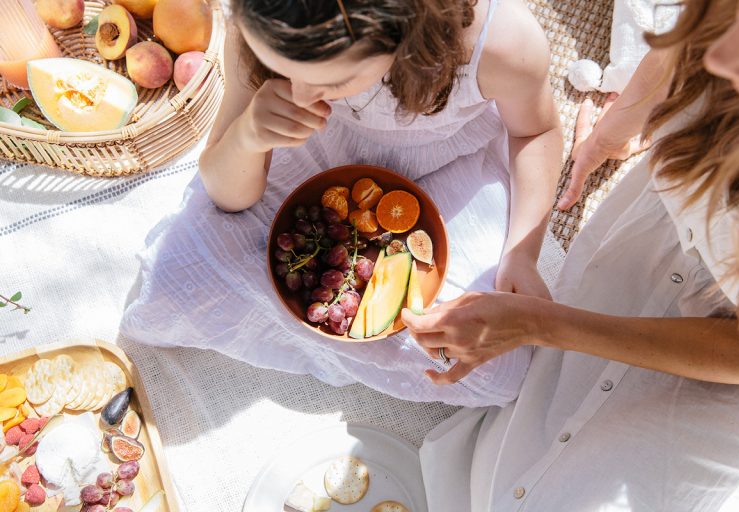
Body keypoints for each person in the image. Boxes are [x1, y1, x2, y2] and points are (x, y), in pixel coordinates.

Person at [409, 0, 739, 509]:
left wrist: (545, 324)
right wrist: (615, 130)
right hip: (658, 237)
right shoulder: (725, 35)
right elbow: (682, 48)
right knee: (502, 480)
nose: (721, 57)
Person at [120, 0, 562, 407]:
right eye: (280, 69)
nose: (300, 93)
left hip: (451, 162)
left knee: (499, 369)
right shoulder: (263, 19)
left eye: (334, 82)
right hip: (318, 145)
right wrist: (249, 134)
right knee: (173, 276)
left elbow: (535, 132)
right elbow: (226, 194)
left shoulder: (503, 47)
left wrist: (522, 253)